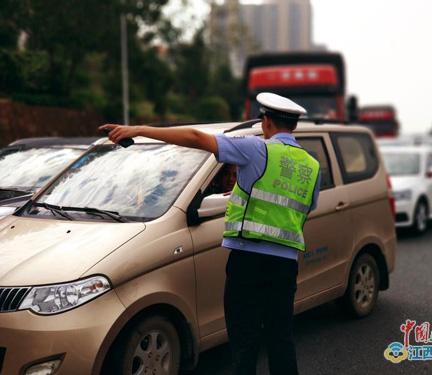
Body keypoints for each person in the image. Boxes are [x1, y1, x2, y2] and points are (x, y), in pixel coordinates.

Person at [99, 92, 320, 375]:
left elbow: (194, 137)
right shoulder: (311, 166)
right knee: (281, 339)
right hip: (286, 265)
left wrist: (138, 130)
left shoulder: (257, 149)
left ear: (266, 122)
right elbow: (303, 208)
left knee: (245, 342)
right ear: (295, 126)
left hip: (248, 262)